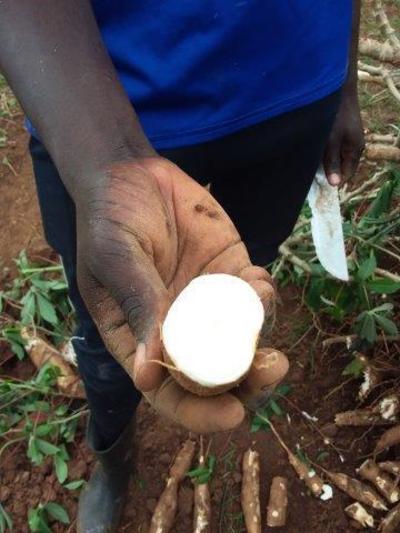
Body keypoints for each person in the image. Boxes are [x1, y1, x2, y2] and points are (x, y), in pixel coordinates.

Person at [0, 1, 364, 531]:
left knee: (246, 261)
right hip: (93, 98)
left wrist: (344, 79)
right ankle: (114, 455)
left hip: (298, 84)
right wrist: (106, 161)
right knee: (109, 322)